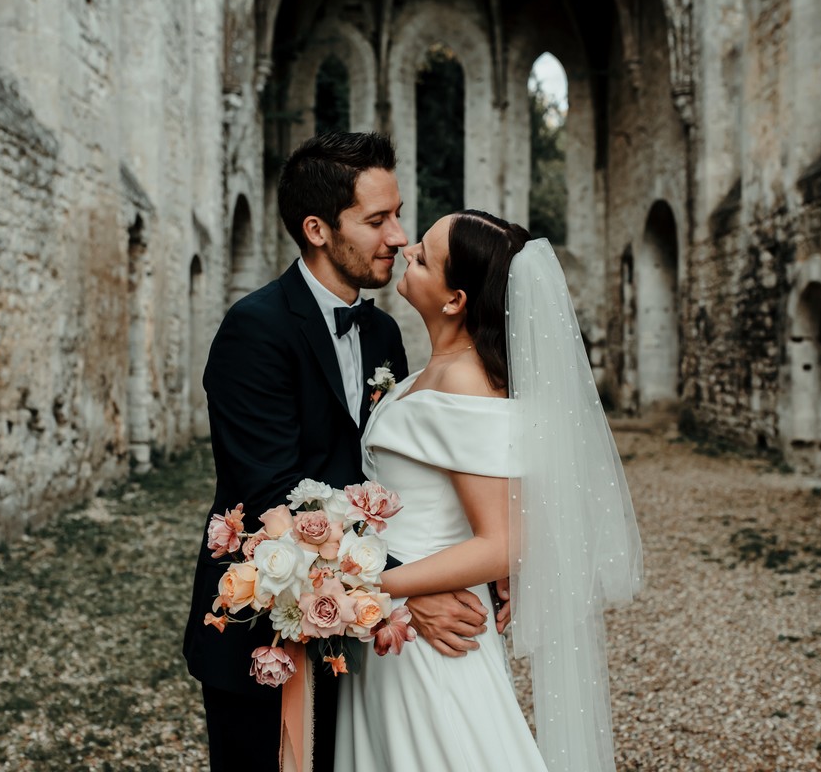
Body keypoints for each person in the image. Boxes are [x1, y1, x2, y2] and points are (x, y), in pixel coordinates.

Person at [183, 133, 504, 772]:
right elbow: (275, 495)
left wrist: (424, 577)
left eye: (398, 213)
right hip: (266, 625)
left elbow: (391, 480)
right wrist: (406, 590)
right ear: (319, 229)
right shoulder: (256, 329)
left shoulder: (385, 330)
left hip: (363, 642)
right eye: (377, 220)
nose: (397, 236)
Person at [336, 210, 644, 772]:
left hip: (430, 635)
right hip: (402, 626)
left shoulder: (467, 382)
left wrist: (372, 587)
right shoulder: (435, 373)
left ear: (455, 300)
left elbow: (502, 543)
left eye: (424, 255)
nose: (407, 250)